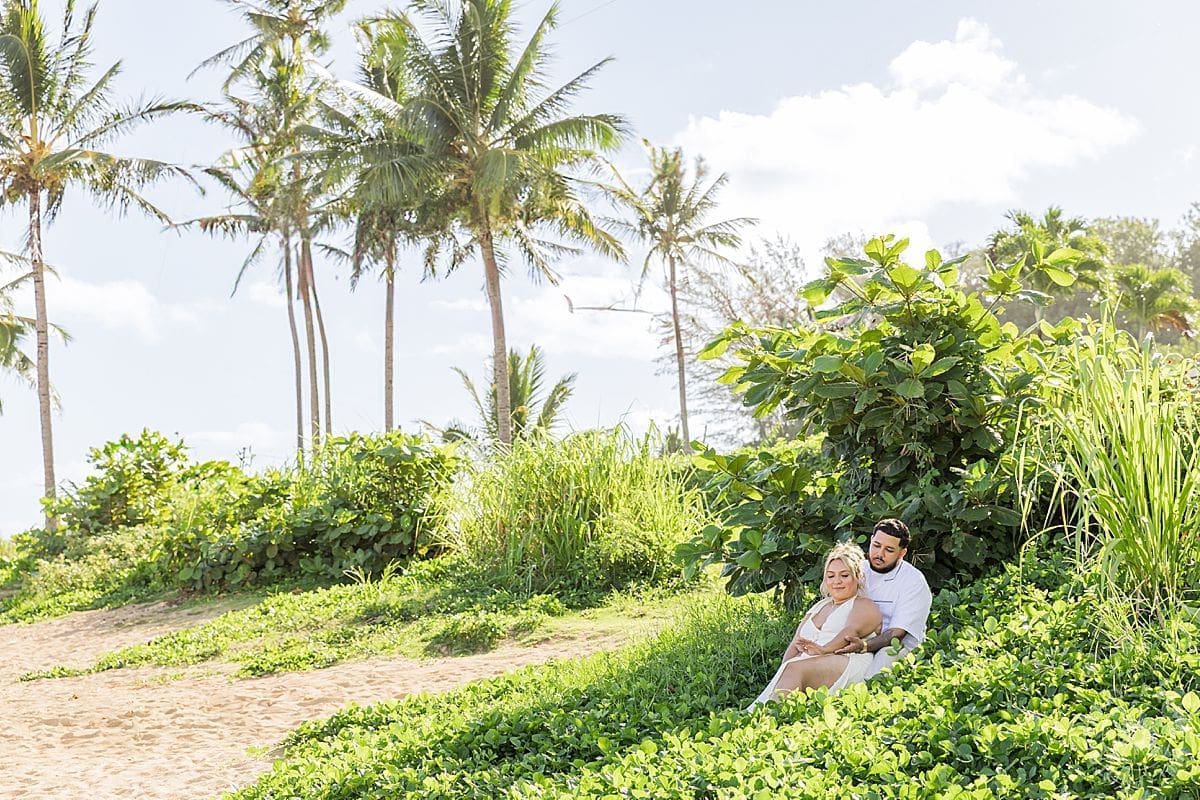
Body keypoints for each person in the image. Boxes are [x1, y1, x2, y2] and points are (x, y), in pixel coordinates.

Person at [746, 542, 882, 708]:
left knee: (795, 668)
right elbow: (796, 642)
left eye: (844, 575)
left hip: (846, 660)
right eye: (831, 576)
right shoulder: (819, 606)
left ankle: (774, 718)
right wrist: (783, 668)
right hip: (810, 662)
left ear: (858, 576)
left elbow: (849, 633)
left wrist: (824, 650)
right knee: (790, 666)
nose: (837, 582)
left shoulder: (864, 605)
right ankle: (763, 716)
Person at [833, 518, 932, 677]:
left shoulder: (914, 582)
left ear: (902, 553)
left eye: (889, 550)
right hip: (856, 639)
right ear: (871, 540)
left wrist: (863, 646)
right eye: (876, 546)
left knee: (885, 657)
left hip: (896, 646)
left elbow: (896, 634)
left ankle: (865, 696)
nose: (879, 554)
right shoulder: (858, 570)